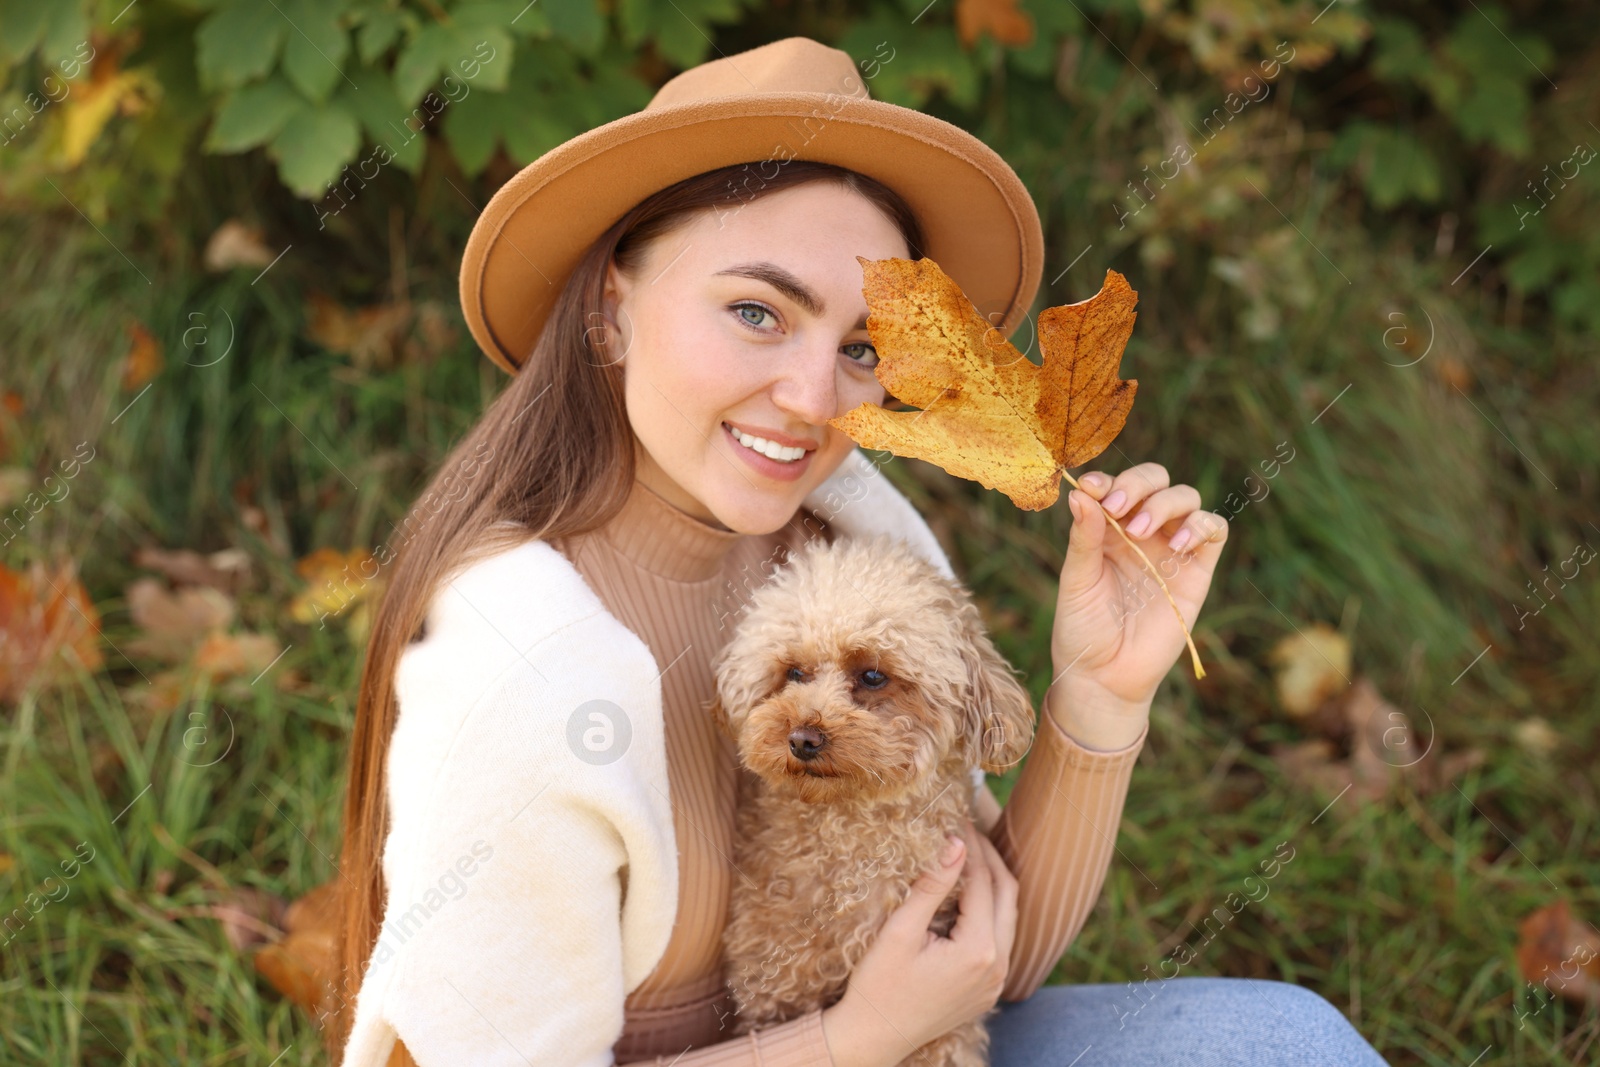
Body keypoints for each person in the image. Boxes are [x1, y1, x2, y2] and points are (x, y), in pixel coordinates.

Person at [329, 36, 1390, 1067]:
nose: (810, 396)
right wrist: (849, 1040)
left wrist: (1100, 694)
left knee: (1284, 1042)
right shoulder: (520, 662)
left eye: (861, 348)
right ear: (611, 309)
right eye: (755, 311)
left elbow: (982, 963)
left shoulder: (844, 544)